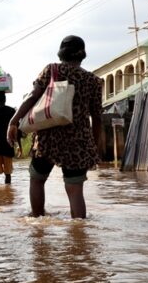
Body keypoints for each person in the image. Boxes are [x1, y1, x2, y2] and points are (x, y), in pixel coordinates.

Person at [7, 35, 103, 219]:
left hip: (47, 139)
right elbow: (97, 117)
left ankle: (37, 222)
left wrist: (14, 121)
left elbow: (32, 97)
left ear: (61, 53)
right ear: (83, 55)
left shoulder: (52, 70)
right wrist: (95, 146)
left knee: (37, 180)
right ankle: (79, 235)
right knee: (75, 191)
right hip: (79, 142)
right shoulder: (93, 81)